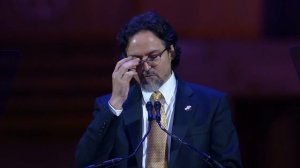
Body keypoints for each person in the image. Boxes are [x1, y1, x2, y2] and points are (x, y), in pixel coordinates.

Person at [76, 11, 243, 168]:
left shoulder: (211, 104)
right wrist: (116, 102)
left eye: (153, 57)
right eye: (136, 60)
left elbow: (229, 165)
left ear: (170, 52)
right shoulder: (111, 106)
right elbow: (86, 162)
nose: (146, 67)